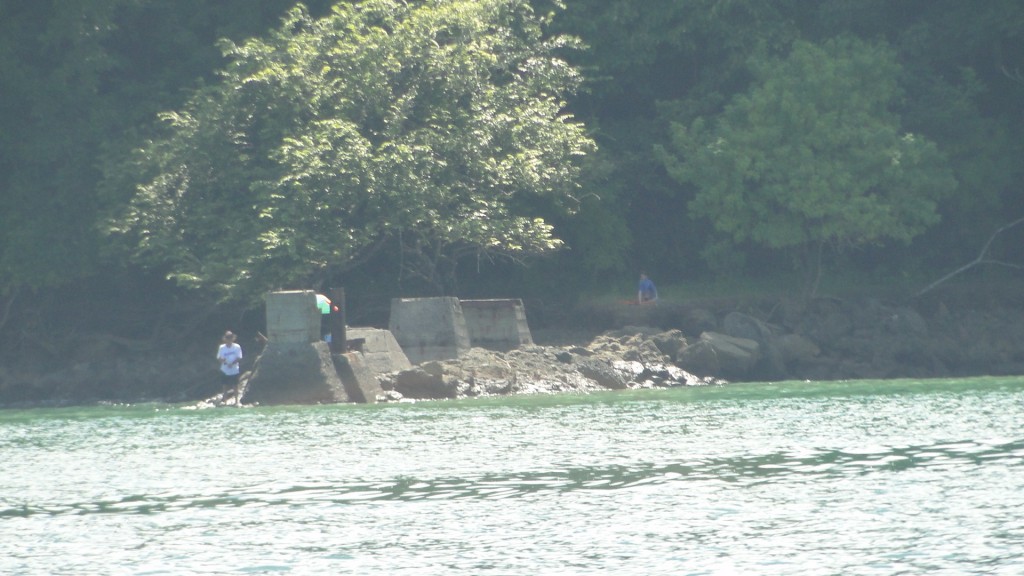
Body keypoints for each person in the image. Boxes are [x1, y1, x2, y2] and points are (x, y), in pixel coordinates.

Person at [216, 330, 243, 399]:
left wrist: (232, 363)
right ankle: (225, 401)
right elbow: (219, 357)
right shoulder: (222, 347)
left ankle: (236, 401)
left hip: (234, 369)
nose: (229, 339)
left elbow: (239, 357)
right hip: (224, 369)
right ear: (225, 339)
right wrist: (224, 362)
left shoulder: (237, 347)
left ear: (233, 338)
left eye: (230, 337)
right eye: (227, 338)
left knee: (235, 386)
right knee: (225, 386)